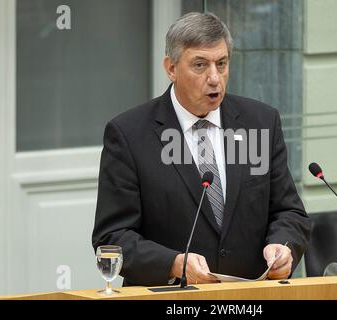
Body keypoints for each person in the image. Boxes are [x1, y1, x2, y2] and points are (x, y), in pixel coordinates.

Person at [92, 12, 311, 286]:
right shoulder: (129, 135)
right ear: (171, 68)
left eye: (221, 64)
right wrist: (173, 263)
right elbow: (112, 238)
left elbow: (289, 212)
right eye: (200, 65)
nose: (214, 78)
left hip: (248, 299)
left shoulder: (261, 123)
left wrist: (283, 247)